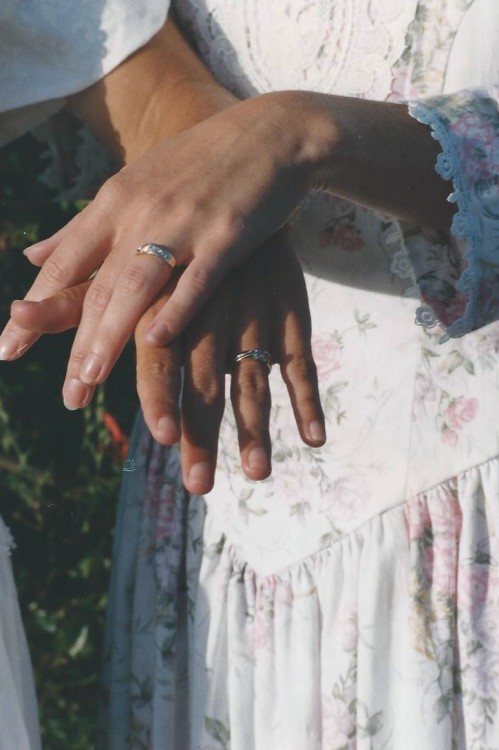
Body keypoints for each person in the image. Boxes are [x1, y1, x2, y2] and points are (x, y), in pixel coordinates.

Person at [3, 0, 499, 747]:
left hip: (457, 540)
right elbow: (88, 31)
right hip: (215, 535)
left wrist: (294, 137)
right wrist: (198, 166)